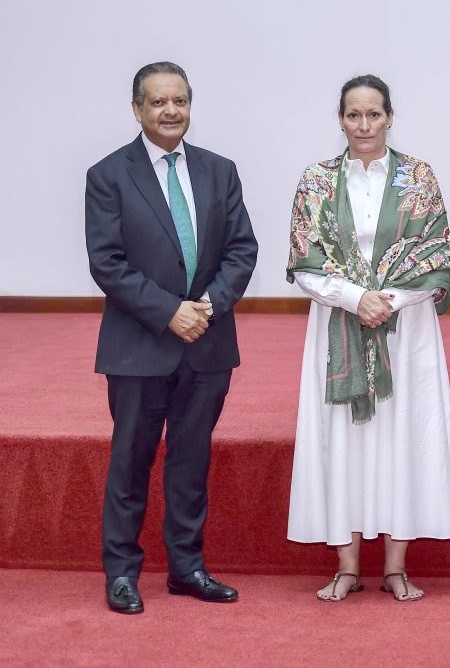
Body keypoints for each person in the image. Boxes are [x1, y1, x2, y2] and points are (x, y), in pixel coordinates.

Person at [286, 75, 450, 602]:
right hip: (338, 325)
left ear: (390, 116)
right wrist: (353, 298)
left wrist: (387, 300)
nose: (363, 125)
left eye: (373, 114)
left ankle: (395, 567)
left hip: (405, 331)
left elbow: (436, 255)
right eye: (353, 115)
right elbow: (304, 258)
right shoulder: (317, 181)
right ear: (340, 119)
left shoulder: (419, 178)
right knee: (342, 442)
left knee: (401, 439)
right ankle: (346, 566)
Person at [85, 62, 258, 614]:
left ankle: (187, 568)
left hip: (206, 341)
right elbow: (106, 264)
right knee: (130, 460)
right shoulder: (108, 174)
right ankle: (121, 573)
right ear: (137, 109)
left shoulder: (219, 171)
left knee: (191, 461)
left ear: (190, 105)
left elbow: (242, 248)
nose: (170, 111)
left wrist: (205, 307)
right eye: (158, 102)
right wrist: (170, 313)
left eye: (179, 101)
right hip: (138, 345)